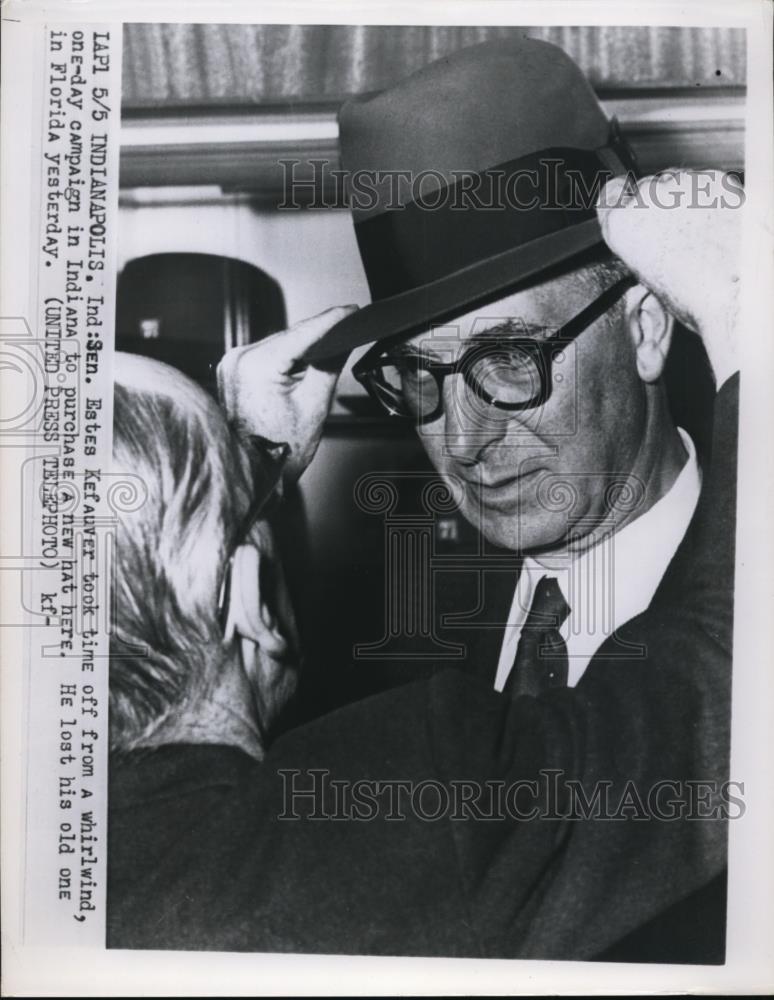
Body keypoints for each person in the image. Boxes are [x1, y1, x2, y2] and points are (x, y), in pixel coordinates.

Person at [109, 153, 741, 959]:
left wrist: (238, 473)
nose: (465, 441)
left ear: (646, 328)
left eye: (513, 359)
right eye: (417, 373)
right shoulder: (373, 665)